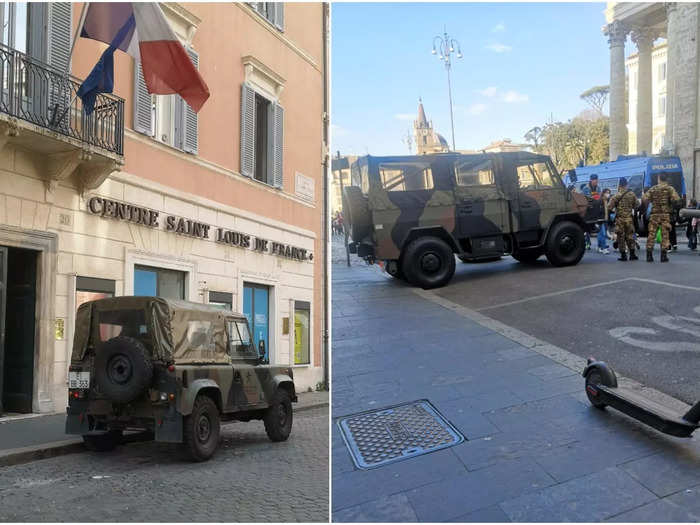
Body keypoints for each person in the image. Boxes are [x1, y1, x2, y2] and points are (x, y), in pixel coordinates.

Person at [642, 173, 682, 262]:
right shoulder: (670, 189)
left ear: (659, 178)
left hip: (654, 215)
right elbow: (677, 200)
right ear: (666, 179)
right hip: (665, 215)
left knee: (651, 235)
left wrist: (652, 201)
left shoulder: (653, 188)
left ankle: (649, 255)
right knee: (665, 235)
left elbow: (644, 198)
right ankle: (663, 256)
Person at [607, 177, 639, 261]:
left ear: (619, 185)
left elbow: (609, 207)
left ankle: (623, 255)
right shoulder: (632, 194)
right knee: (630, 236)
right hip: (629, 219)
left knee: (621, 237)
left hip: (620, 220)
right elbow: (637, 206)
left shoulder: (616, 195)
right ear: (626, 184)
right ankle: (632, 254)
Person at [582, 174, 601, 250]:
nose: (596, 181)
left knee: (599, 227)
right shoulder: (586, 188)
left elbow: (599, 197)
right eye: (595, 180)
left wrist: (596, 198)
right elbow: (587, 198)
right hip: (588, 210)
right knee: (587, 228)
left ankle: (600, 245)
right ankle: (587, 242)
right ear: (591, 180)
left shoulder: (598, 188)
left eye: (597, 180)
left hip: (596, 209)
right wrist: (595, 198)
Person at [597, 188, 611, 254]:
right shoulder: (600, 201)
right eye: (607, 192)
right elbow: (598, 211)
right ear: (603, 193)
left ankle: (599, 247)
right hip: (600, 220)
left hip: (605, 219)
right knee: (603, 234)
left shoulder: (607, 201)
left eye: (609, 193)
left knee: (600, 234)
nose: (608, 194)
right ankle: (604, 248)